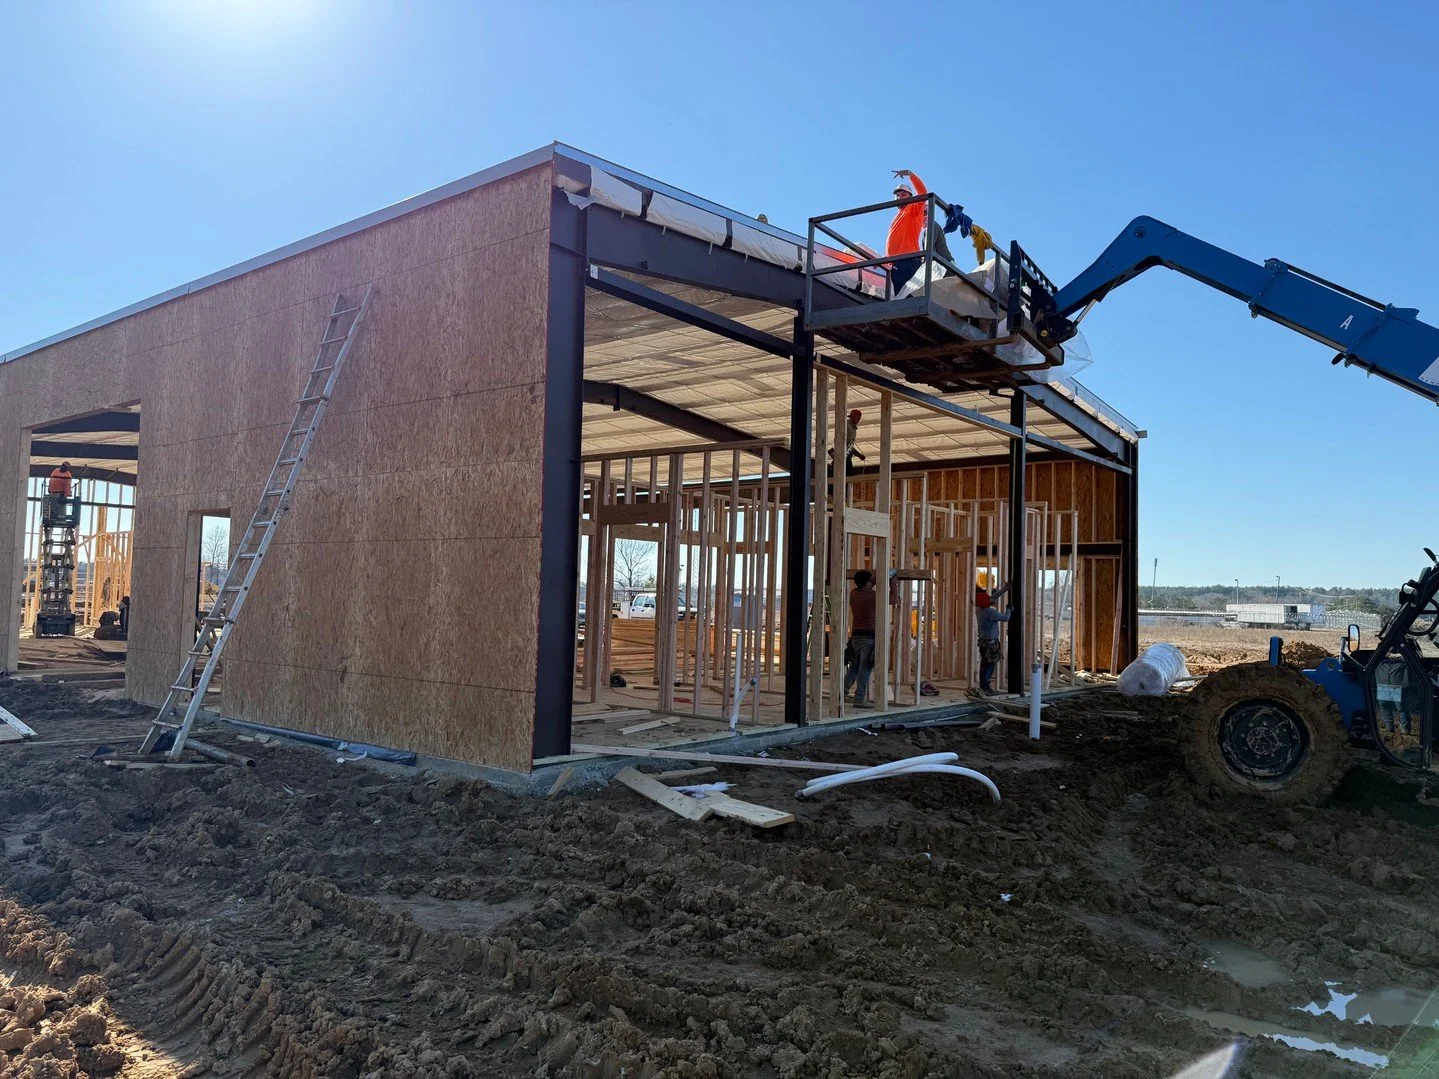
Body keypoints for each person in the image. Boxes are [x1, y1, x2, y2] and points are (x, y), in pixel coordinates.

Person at [844, 570, 878, 706]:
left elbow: (867, 586)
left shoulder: (854, 593)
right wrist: (893, 584)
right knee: (866, 668)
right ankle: (859, 699)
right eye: (870, 581)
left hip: (856, 637)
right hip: (868, 637)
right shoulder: (873, 596)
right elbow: (893, 599)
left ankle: (842, 693)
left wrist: (875, 578)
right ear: (868, 582)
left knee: (855, 667)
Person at [974, 582, 1011, 696]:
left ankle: (984, 687)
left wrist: (1006, 588)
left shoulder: (980, 610)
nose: (992, 600)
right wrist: (1009, 609)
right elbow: (1005, 618)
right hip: (990, 644)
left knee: (984, 664)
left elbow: (993, 597)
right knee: (989, 666)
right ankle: (986, 688)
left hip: (984, 643)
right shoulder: (990, 612)